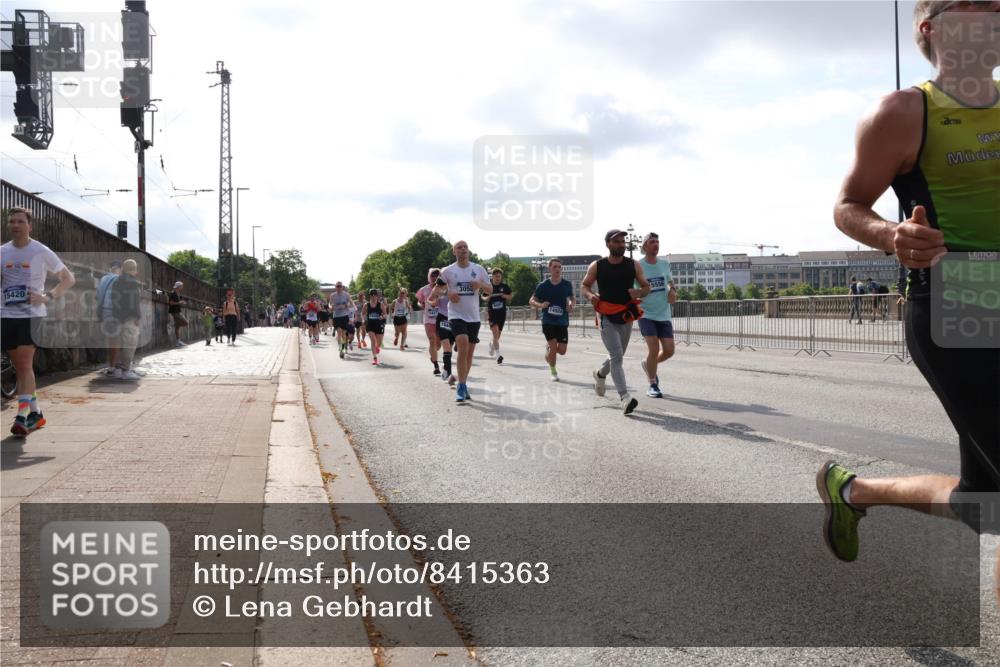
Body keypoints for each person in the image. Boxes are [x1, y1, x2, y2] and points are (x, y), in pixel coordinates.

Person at [819, 0, 999, 578]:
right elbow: (848, 207)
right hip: (958, 297)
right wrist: (892, 234)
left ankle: (855, 493)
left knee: (987, 502)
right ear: (932, 27)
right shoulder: (904, 110)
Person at [1, 207, 76, 435]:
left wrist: (47, 296)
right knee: (21, 367)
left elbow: (68, 278)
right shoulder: (2, 252)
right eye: (12, 222)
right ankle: (37, 413)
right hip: (6, 314)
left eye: (20, 222)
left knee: (24, 365)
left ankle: (22, 416)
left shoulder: (41, 251)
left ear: (29, 225)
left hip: (32, 315)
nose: (15, 225)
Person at [581, 229, 651, 415]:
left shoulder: (633, 265)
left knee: (616, 357)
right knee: (617, 356)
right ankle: (625, 398)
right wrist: (590, 296)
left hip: (626, 315)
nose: (621, 244)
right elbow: (584, 285)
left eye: (623, 241)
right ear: (608, 244)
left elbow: (646, 287)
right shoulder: (598, 265)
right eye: (617, 241)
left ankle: (600, 374)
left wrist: (639, 292)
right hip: (605, 314)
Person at [439, 240, 492, 402]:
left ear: (468, 251)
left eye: (465, 247)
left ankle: (460, 379)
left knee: (469, 354)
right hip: (456, 315)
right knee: (462, 346)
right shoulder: (447, 271)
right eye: (459, 248)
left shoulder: (478, 269)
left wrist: (480, 284)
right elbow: (437, 289)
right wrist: (448, 293)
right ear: (454, 252)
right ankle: (461, 387)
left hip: (474, 317)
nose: (463, 250)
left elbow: (490, 289)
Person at [636, 233, 677, 398]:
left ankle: (648, 364)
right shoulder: (638, 266)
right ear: (644, 246)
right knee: (654, 348)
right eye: (652, 242)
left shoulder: (664, 264)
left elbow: (670, 282)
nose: (656, 244)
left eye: (657, 242)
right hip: (646, 313)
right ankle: (652, 384)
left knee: (669, 351)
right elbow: (634, 289)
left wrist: (673, 290)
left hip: (663, 313)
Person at [530, 258, 574, 382]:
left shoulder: (566, 284)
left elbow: (571, 297)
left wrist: (570, 303)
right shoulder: (543, 285)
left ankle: (549, 349)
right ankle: (553, 372)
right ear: (550, 269)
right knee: (554, 348)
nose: (557, 269)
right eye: (554, 267)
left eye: (559, 267)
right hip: (548, 321)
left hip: (562, 321)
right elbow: (531, 300)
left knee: (562, 351)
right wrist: (541, 305)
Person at [110, 259, 142, 380]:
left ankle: (118, 369)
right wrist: (137, 317)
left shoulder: (116, 281)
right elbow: (134, 302)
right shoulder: (132, 282)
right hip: (129, 317)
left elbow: (114, 300)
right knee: (130, 343)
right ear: (133, 269)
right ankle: (126, 370)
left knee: (119, 343)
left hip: (117, 316)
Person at [95, 259, 122, 374]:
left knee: (111, 340)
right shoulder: (117, 279)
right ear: (119, 269)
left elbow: (97, 296)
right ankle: (113, 366)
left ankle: (111, 364)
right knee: (116, 340)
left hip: (104, 312)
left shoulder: (103, 279)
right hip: (114, 312)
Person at [429, 272, 455, 385]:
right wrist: (433, 302)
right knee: (446, 346)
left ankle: (446, 366)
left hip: (455, 318)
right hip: (442, 318)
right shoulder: (437, 287)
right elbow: (431, 299)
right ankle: (448, 371)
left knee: (451, 345)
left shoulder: (453, 286)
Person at [415, 268, 443, 375]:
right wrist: (420, 304)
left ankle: (433, 353)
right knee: (432, 339)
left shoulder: (444, 288)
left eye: (437, 276)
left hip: (441, 318)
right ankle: (436, 365)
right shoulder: (424, 289)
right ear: (429, 277)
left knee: (438, 344)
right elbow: (419, 301)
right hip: (429, 319)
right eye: (432, 276)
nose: (434, 278)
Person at [484, 268, 513, 364]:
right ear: (492, 277)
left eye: (499, 276)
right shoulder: (489, 287)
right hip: (492, 314)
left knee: (497, 336)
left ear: (501, 277)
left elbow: (511, 296)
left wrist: (505, 296)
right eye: (495, 276)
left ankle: (492, 345)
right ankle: (498, 356)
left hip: (501, 314)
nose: (497, 278)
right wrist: (486, 298)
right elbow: (483, 296)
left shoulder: (504, 286)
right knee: (495, 333)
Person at [361, 288, 387, 365]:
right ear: (369, 296)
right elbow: (362, 313)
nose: (373, 296)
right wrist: (363, 319)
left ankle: (377, 347)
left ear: (377, 296)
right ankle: (375, 358)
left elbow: (385, 314)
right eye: (371, 295)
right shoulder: (366, 305)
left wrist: (382, 317)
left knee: (378, 343)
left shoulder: (381, 304)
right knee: (373, 341)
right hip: (370, 325)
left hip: (379, 324)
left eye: (374, 295)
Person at [330, 282, 353, 359]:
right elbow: (330, 304)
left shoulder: (346, 294)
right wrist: (331, 307)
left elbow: (350, 302)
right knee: (339, 332)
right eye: (337, 286)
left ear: (342, 287)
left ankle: (342, 348)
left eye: (340, 286)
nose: (339, 287)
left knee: (343, 334)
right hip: (336, 316)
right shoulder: (332, 295)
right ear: (335, 287)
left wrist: (345, 305)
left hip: (344, 316)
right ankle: (341, 349)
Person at [168, 281, 187, 345]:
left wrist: (182, 302)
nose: (182, 287)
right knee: (185, 323)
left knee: (178, 327)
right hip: (174, 312)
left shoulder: (178, 293)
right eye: (181, 286)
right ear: (178, 287)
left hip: (178, 311)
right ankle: (172, 325)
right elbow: (171, 303)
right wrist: (179, 302)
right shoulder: (173, 293)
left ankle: (178, 341)